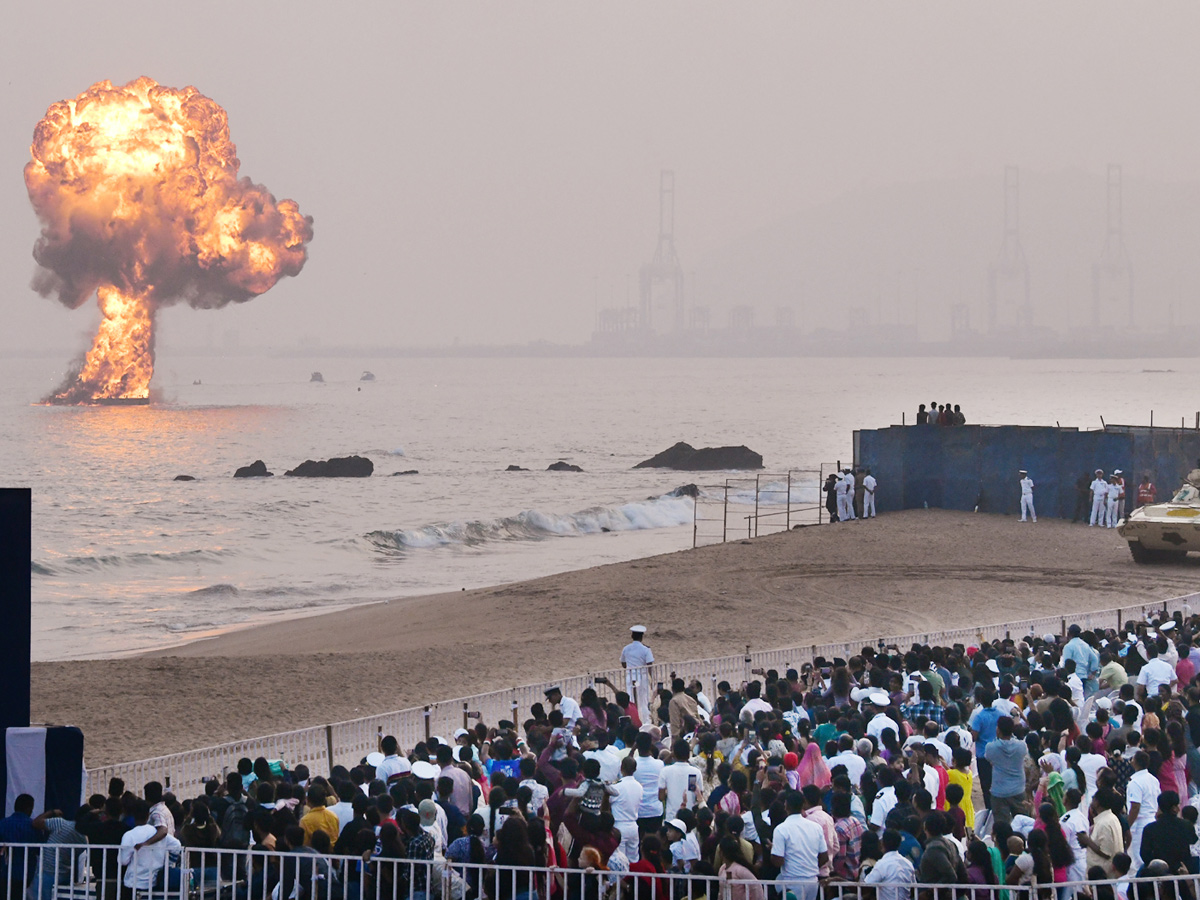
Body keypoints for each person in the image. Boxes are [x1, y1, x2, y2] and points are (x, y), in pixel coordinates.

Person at [770, 790, 828, 900]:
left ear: (786, 805)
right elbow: (824, 857)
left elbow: (778, 861)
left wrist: (773, 849)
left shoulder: (781, 829)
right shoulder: (816, 828)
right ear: (803, 805)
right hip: (812, 881)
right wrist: (809, 867)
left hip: (792, 882)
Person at [863, 829, 916, 900]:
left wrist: (844, 882)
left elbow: (865, 886)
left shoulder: (882, 864)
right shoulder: (908, 863)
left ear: (882, 843)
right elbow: (913, 889)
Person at [620, 625, 654, 716]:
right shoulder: (646, 649)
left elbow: (623, 664)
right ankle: (645, 720)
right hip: (642, 676)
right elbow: (649, 664)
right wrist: (652, 679)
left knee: (631, 699)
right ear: (641, 637)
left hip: (630, 675)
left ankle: (632, 717)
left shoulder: (626, 648)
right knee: (644, 699)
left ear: (632, 636)